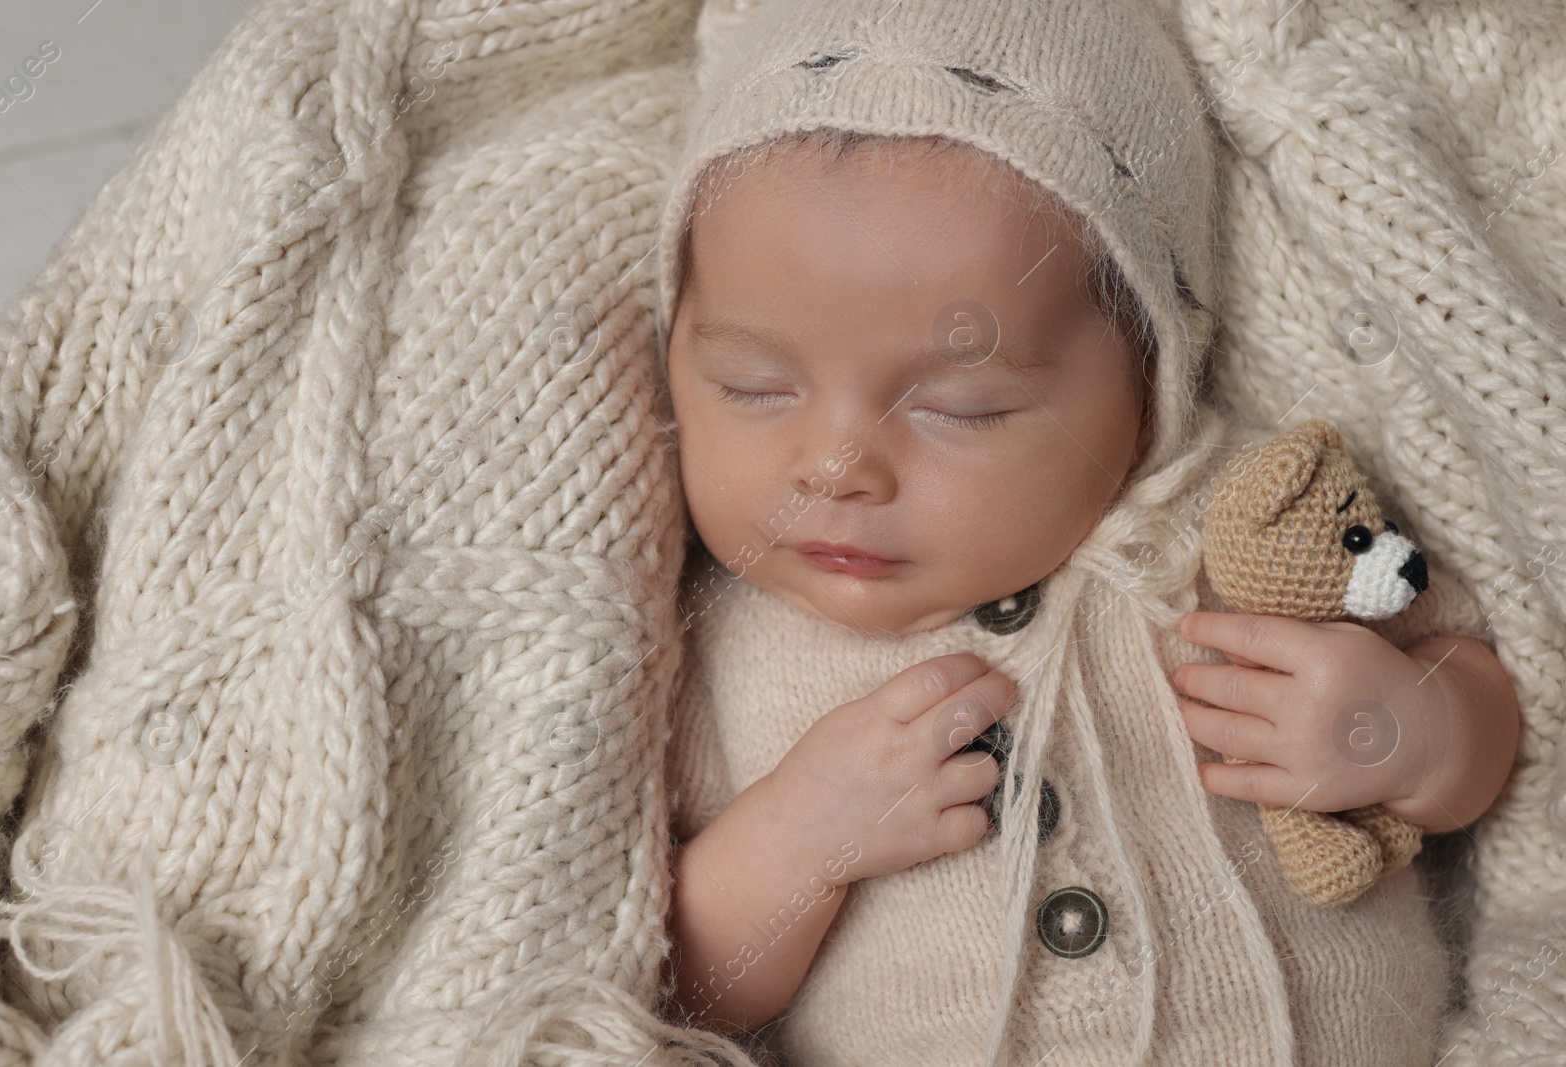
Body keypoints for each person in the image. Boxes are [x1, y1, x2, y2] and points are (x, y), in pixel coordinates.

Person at [649, 1, 1523, 1064]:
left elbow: (1485, 704)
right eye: (753, 386)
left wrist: (1408, 727)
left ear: (1149, 377)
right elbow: (681, 984)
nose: (832, 468)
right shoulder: (710, 652)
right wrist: (793, 843)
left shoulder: (1254, 520)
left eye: (958, 408)